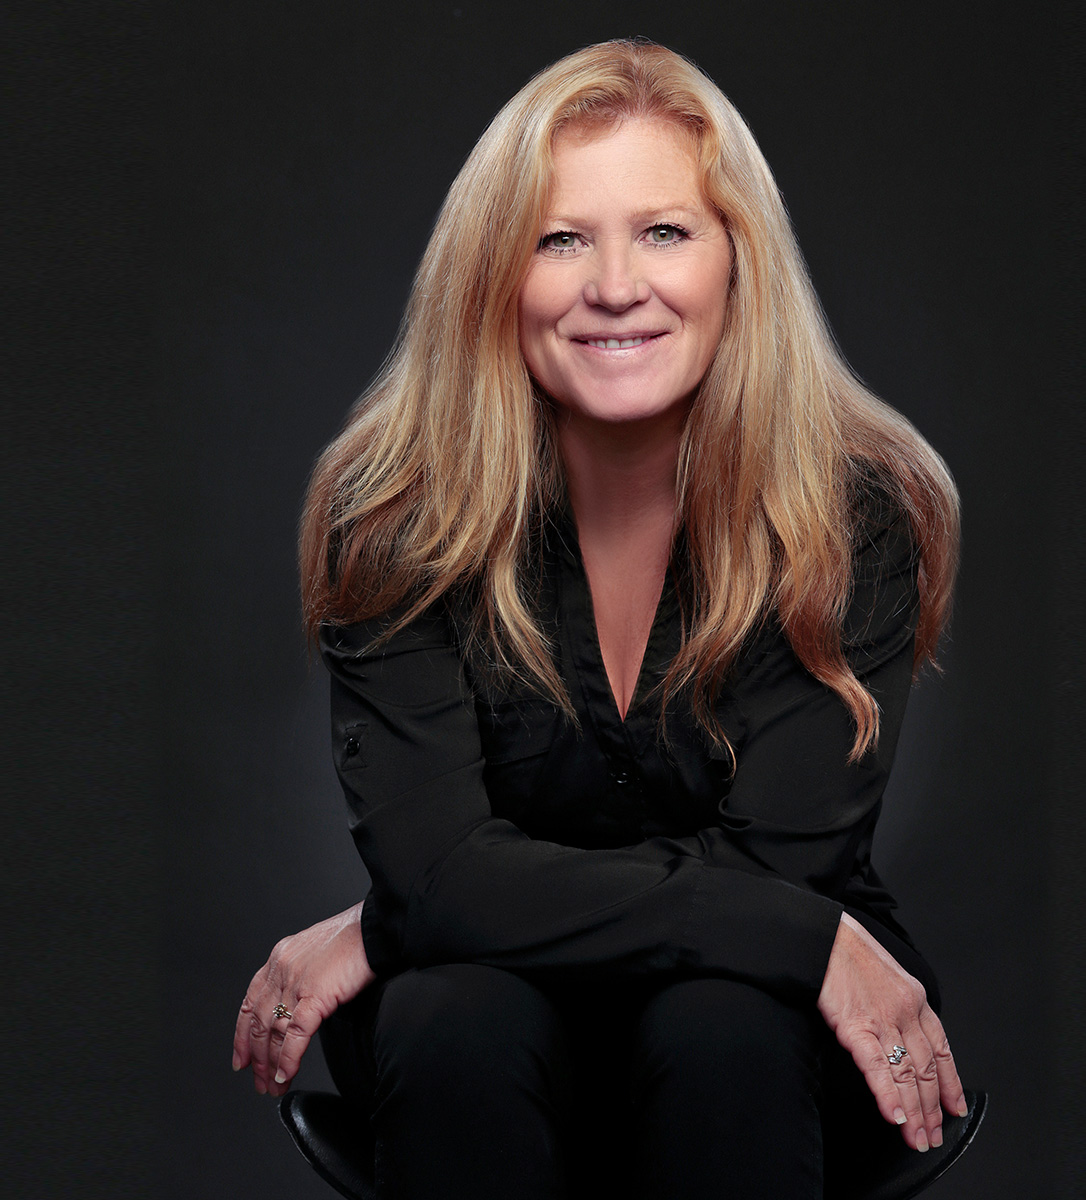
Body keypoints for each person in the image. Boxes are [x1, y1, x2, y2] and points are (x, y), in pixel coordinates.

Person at [232, 39, 965, 1200]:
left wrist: (392, 925)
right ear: (493, 273)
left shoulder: (855, 514)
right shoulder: (393, 517)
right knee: (454, 1019)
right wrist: (430, 909)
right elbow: (443, 874)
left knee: (723, 1024)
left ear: (739, 262)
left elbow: (782, 867)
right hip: (483, 1010)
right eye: (559, 239)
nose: (615, 286)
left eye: (665, 232)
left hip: (756, 1029)